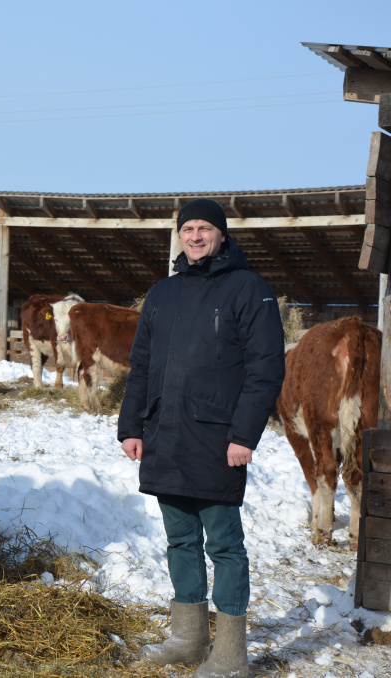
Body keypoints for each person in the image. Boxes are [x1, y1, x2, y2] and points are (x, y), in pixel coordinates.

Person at [117, 198, 285, 678]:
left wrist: (243, 435)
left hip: (217, 440)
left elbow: (266, 370)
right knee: (180, 540)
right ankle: (188, 639)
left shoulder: (249, 289)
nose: (195, 236)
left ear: (222, 235)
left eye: (204, 228)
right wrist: (131, 426)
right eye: (187, 228)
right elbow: (141, 366)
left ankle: (230, 655)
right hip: (165, 435)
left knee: (225, 545)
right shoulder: (162, 293)